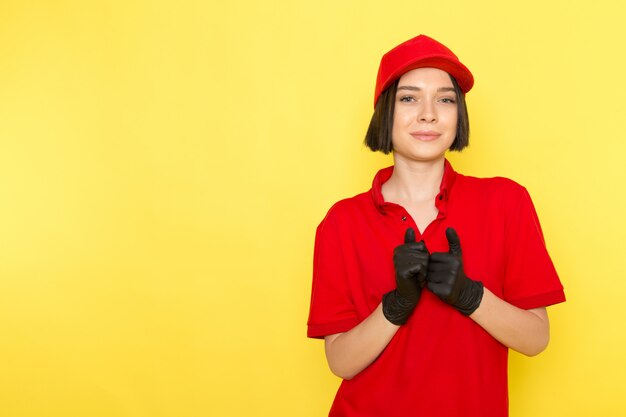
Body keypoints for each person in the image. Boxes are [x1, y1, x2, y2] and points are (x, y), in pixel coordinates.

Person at [306, 34, 565, 417]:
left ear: (458, 114)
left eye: (444, 99)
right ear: (384, 113)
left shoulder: (506, 202)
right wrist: (396, 306)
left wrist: (470, 296)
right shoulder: (341, 223)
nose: (428, 113)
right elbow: (340, 362)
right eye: (409, 98)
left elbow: (536, 338)